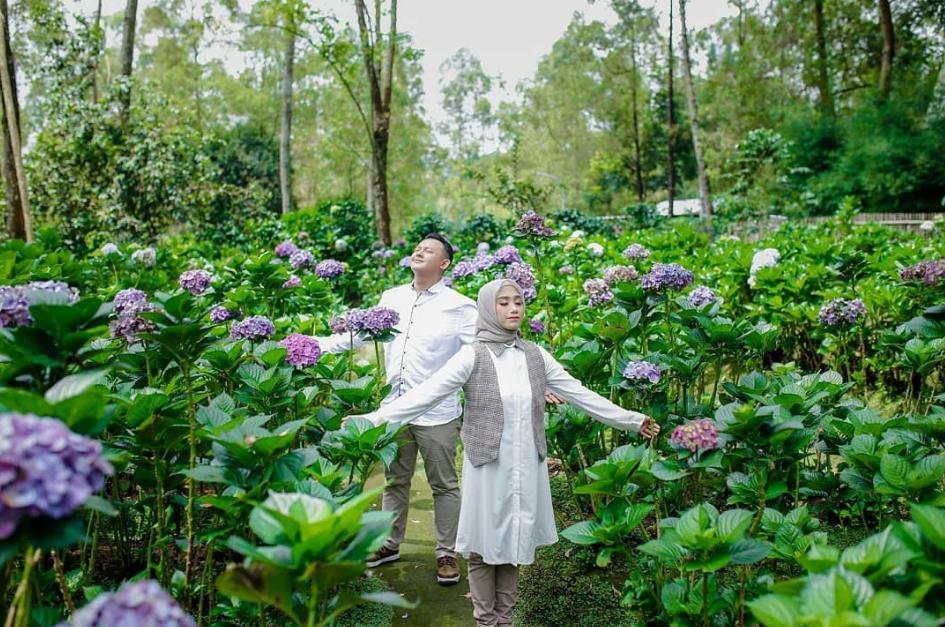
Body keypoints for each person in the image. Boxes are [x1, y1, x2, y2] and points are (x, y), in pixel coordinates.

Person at [354, 278, 660, 627]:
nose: (514, 308)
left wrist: (633, 421)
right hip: (488, 466)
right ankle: (486, 621)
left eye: (518, 302)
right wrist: (371, 420)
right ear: (487, 308)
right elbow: (424, 395)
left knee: (514, 542)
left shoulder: (535, 355)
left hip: (527, 465)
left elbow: (580, 394)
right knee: (485, 546)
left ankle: (506, 620)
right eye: (504, 303)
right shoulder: (472, 354)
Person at [314, 233, 474, 584]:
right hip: (394, 410)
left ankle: (446, 553)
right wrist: (314, 346)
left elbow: (484, 352)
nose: (419, 250)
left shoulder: (460, 306)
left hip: (438, 414)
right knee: (395, 480)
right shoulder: (391, 298)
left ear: (444, 263)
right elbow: (356, 335)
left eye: (429, 249)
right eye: (418, 247)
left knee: (444, 485)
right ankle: (390, 543)